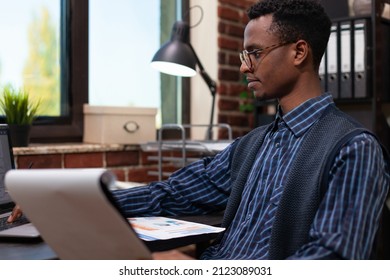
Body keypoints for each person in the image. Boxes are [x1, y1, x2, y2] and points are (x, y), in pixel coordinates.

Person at [8, 0, 390, 260]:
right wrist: (67, 202)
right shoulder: (255, 145)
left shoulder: (353, 149)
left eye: (254, 53)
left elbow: (331, 261)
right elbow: (171, 194)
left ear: (299, 52)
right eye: (244, 55)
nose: (244, 67)